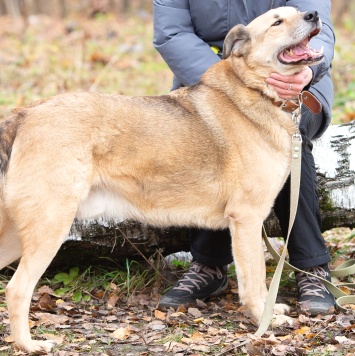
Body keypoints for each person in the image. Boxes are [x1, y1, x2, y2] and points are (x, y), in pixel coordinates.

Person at [153, 0, 335, 316]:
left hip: (297, 81)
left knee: (283, 128)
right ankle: (209, 265)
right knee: (216, 131)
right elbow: (172, 34)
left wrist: (308, 70)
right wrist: (233, 79)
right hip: (213, 79)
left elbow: (319, 26)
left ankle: (311, 266)